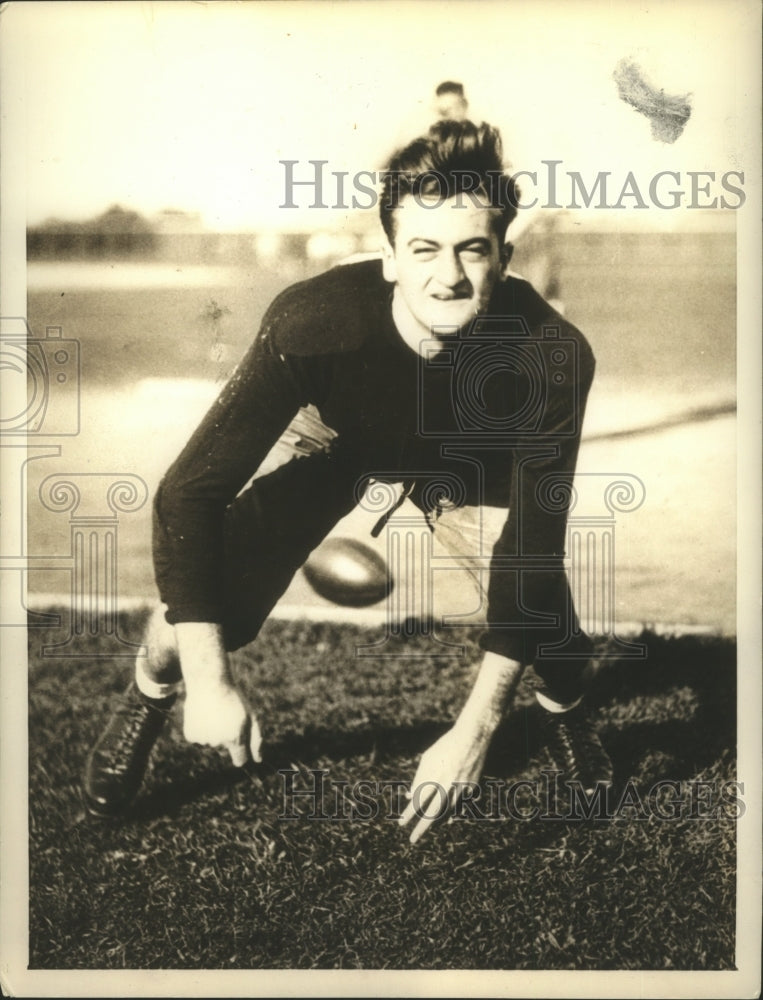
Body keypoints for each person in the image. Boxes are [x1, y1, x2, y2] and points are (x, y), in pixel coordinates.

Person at [83, 120, 613, 843]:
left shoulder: (549, 354)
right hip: (342, 434)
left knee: (537, 608)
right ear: (388, 256)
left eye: (472, 249)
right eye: (423, 249)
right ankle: (149, 693)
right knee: (208, 590)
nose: (448, 275)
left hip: (465, 449)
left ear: (505, 256)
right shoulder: (316, 321)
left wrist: (477, 729)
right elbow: (189, 493)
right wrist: (208, 682)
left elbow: (533, 546)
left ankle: (567, 709)